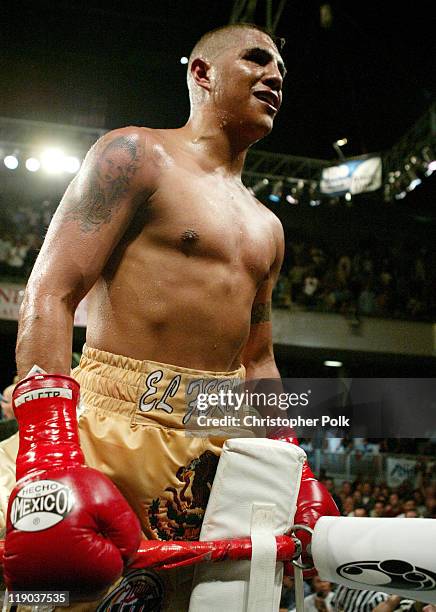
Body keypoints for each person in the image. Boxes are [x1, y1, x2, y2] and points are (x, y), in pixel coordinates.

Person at [1, 23, 338, 610]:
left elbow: (258, 358)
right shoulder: (136, 154)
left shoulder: (268, 227)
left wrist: (294, 463)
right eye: (257, 59)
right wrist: (48, 450)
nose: (275, 75)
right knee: (48, 594)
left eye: (281, 68)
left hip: (217, 445)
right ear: (201, 73)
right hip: (110, 421)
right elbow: (51, 292)